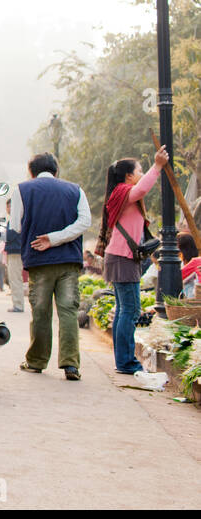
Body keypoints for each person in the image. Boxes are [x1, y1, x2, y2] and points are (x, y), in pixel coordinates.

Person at [13, 153, 91, 381]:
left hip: (39, 261)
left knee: (41, 312)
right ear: (56, 171)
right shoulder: (76, 190)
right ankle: (71, 365)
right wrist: (57, 238)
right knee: (68, 312)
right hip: (68, 261)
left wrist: (45, 236)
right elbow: (84, 222)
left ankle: (36, 361)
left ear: (31, 172)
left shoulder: (22, 190)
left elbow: (16, 226)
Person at [96, 146, 168, 375]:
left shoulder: (120, 193)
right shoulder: (124, 192)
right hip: (122, 258)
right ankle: (126, 362)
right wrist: (157, 166)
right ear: (128, 176)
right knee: (130, 310)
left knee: (125, 310)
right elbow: (143, 188)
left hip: (120, 257)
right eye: (139, 171)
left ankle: (123, 360)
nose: (142, 174)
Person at [3, 199, 26, 312]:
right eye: (8, 207)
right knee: (17, 278)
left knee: (15, 278)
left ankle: (18, 305)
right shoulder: (21, 218)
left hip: (15, 252)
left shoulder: (14, 220)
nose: (9, 209)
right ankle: (18, 303)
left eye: (10, 206)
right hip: (19, 251)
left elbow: (10, 236)